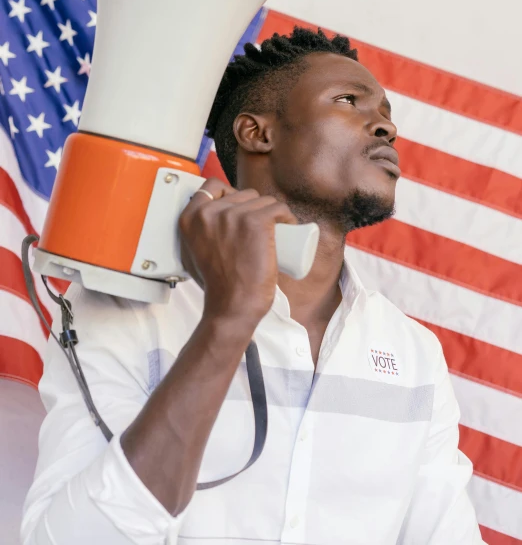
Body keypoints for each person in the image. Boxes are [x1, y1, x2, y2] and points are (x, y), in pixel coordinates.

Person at [22, 27, 483, 545]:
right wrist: (229, 318)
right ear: (256, 133)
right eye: (348, 101)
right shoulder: (124, 309)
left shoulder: (414, 352)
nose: (385, 129)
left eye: (388, 114)